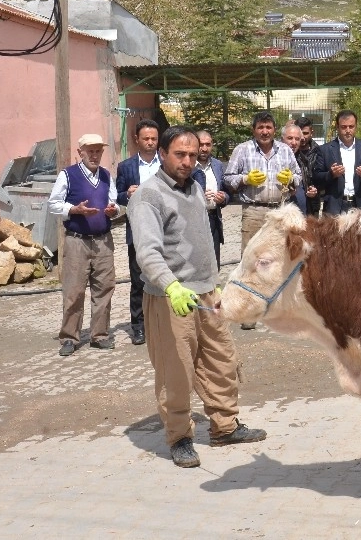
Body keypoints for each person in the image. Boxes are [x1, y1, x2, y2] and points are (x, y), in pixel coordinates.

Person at [128, 126, 266, 468]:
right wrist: (171, 286)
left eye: (192, 154)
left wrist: (214, 282)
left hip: (206, 294)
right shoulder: (148, 196)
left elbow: (202, 240)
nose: (188, 161)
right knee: (176, 372)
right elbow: (147, 252)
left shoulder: (195, 188)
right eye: (180, 154)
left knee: (222, 361)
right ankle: (180, 437)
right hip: (169, 298)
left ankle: (224, 426)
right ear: (162, 153)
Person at [223, 111, 300, 328]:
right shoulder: (242, 150)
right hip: (254, 211)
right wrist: (245, 178)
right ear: (254, 130)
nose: (264, 131)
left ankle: (279, 311)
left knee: (282, 262)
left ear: (274, 130)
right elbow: (228, 179)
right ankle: (248, 315)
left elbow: (299, 177)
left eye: (268, 127)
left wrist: (292, 179)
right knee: (251, 263)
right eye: (260, 127)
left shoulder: (285, 150)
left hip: (279, 212)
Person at [48, 134, 119, 356]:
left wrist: (113, 210)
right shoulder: (68, 175)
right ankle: (69, 337)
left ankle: (100, 335)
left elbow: (115, 203)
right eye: (90, 151)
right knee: (74, 291)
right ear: (80, 153)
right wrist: (74, 210)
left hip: (103, 241)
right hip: (77, 240)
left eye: (98, 151)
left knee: (104, 288)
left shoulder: (106, 176)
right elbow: (53, 204)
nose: (95, 155)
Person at [115, 118, 161, 346]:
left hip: (165, 231)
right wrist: (127, 194)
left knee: (165, 278)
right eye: (146, 139)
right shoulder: (126, 167)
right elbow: (117, 195)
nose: (151, 143)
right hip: (139, 231)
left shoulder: (167, 163)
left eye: (154, 139)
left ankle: (162, 323)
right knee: (138, 281)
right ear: (137, 140)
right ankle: (139, 326)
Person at [313, 109, 361, 214]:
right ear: (337, 127)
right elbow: (316, 178)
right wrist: (331, 174)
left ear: (356, 127)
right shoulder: (325, 150)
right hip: (335, 206)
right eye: (344, 127)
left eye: (351, 126)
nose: (348, 130)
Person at [192, 130, 229, 269]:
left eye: (208, 144)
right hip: (194, 220)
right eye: (201, 144)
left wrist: (223, 198)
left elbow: (227, 191)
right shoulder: (188, 165)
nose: (204, 148)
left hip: (213, 218)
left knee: (214, 264)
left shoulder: (217, 165)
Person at [294, 116, 321, 216]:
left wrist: (317, 188)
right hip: (293, 203)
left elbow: (322, 177)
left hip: (312, 204)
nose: (302, 137)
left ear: (311, 132)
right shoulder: (288, 152)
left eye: (305, 133)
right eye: (299, 134)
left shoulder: (319, 152)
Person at [281, 122, 309, 215]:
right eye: (290, 138)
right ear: (282, 139)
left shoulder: (304, 159)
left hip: (300, 208)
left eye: (297, 139)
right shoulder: (275, 157)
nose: (293, 142)